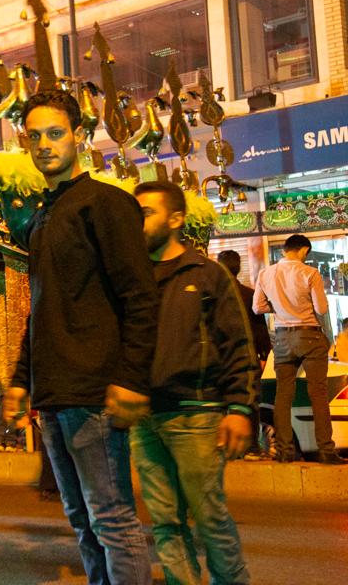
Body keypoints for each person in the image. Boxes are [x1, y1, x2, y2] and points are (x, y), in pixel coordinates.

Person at [3, 90, 158, 585]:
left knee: (113, 520)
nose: (45, 144)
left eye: (55, 133)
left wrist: (131, 378)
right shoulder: (43, 218)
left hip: (93, 393)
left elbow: (139, 297)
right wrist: (21, 380)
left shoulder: (106, 204)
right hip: (54, 396)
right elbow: (42, 308)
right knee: (82, 520)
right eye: (35, 136)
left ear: (80, 137)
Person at [131, 181, 256, 585]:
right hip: (144, 418)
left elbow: (238, 344)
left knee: (209, 518)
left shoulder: (207, 275)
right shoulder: (131, 277)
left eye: (147, 211)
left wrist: (239, 409)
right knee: (165, 523)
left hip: (197, 416)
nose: (139, 220)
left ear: (176, 218)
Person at [253, 234, 345, 464]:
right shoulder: (309, 273)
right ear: (304, 250)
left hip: (283, 338)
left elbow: (257, 307)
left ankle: (284, 451)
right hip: (309, 337)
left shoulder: (266, 273)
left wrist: (280, 308)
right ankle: (326, 449)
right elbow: (322, 309)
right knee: (318, 394)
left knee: (283, 395)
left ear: (284, 249)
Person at [217, 249, 273, 459]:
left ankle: (224, 446)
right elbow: (260, 329)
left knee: (222, 400)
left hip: (221, 356)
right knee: (250, 401)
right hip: (247, 355)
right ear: (239, 268)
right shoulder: (249, 294)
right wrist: (264, 355)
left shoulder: (216, 294)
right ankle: (251, 448)